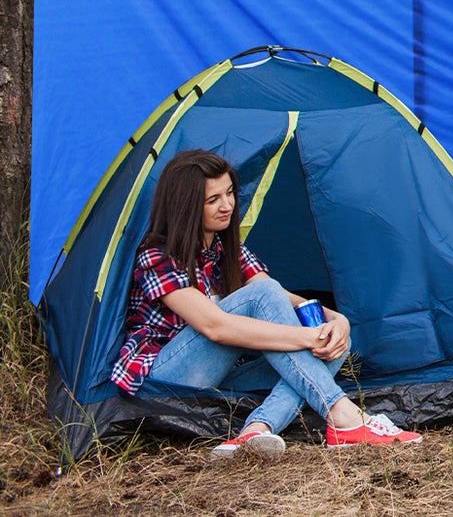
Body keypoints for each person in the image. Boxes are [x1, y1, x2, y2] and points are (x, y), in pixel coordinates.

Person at [113, 147, 425, 462]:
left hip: (220, 377)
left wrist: (337, 322)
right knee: (269, 300)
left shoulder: (227, 250)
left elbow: (288, 299)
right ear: (187, 206)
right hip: (166, 377)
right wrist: (308, 338)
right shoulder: (157, 255)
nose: (227, 205)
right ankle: (343, 416)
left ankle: (256, 430)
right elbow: (216, 327)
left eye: (230, 193)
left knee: (334, 344)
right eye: (213, 200)